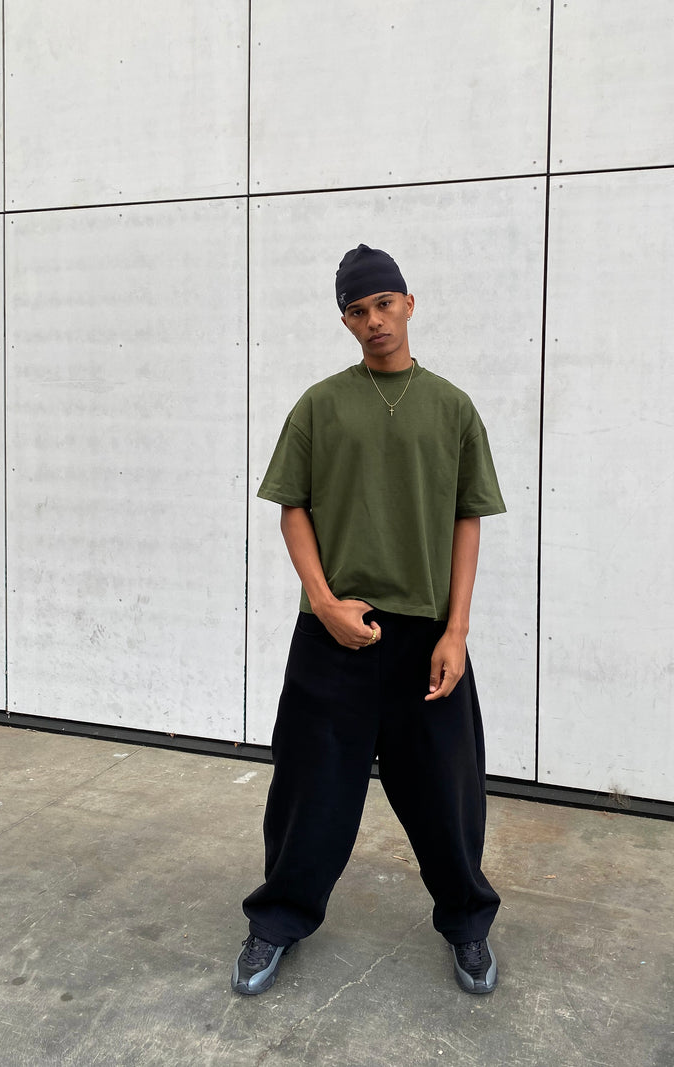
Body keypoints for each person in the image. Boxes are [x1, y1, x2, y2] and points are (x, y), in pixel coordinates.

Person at [232, 244, 506, 997]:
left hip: (426, 637)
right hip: (333, 632)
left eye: (385, 303)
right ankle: (277, 920)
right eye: (358, 310)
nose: (374, 320)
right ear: (346, 321)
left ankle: (468, 924)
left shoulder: (452, 406)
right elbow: (293, 508)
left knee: (447, 795)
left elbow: (468, 519)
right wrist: (323, 601)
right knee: (310, 793)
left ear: (409, 304)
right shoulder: (320, 404)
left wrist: (456, 630)